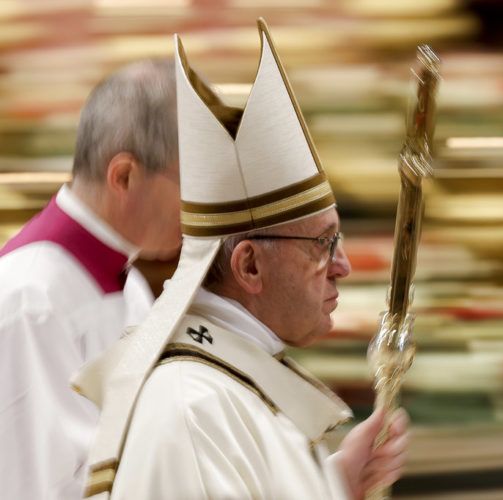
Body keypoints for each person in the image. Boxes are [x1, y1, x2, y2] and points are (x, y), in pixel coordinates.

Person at [74, 19, 408, 500]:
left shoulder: (234, 383)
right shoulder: (191, 406)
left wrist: (337, 485)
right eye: (323, 243)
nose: (343, 266)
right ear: (249, 266)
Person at [0, 59, 182, 500]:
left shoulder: (130, 282)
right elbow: (36, 487)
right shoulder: (31, 297)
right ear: (124, 176)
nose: (201, 206)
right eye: (189, 182)